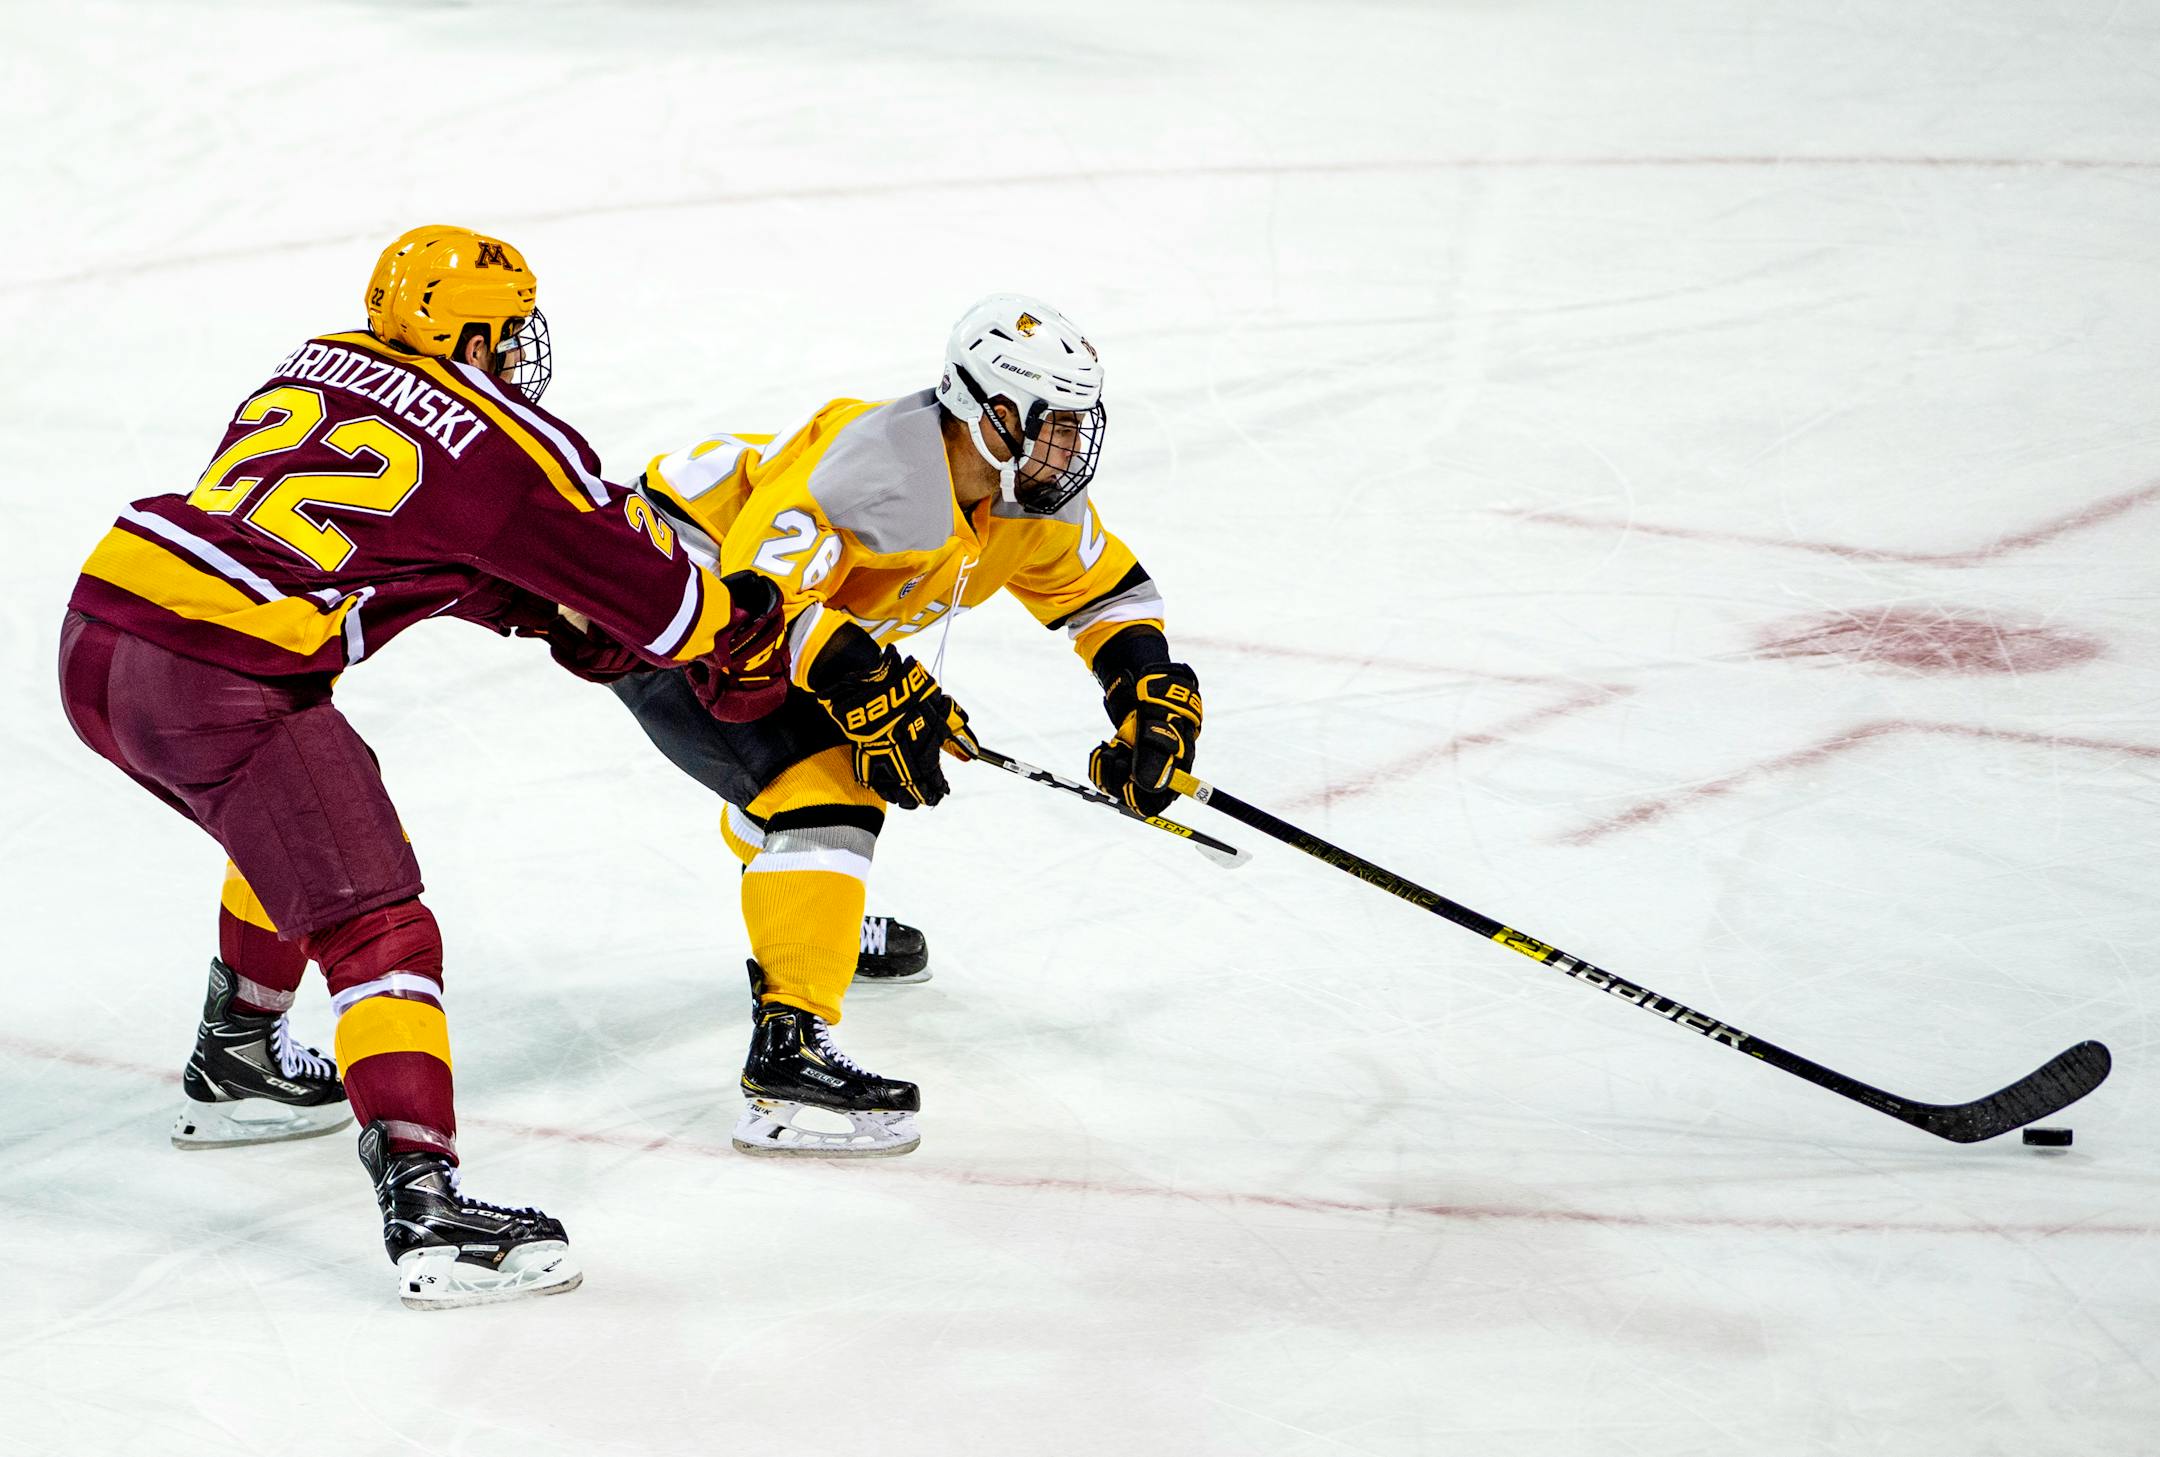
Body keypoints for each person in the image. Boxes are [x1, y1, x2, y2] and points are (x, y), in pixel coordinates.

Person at [57, 225, 784, 1309]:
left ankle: (242, 1052)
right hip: (212, 674)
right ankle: (426, 1204)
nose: (523, 351)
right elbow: (669, 603)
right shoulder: (507, 442)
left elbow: (411, 540)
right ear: (480, 333)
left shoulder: (321, 356)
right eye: (513, 328)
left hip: (101, 634)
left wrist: (540, 614)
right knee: (377, 919)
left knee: (291, 825)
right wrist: (757, 630)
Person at [600, 292, 1205, 1158]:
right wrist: (865, 677)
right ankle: (788, 1054)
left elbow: (1101, 592)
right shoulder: (871, 473)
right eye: (1056, 425)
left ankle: (812, 917)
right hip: (662, 594)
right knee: (827, 792)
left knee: (835, 758)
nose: (1074, 447)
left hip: (747, 612)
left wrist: (1146, 689)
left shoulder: (1025, 492)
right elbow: (747, 607)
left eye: (1080, 424)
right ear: (990, 415)